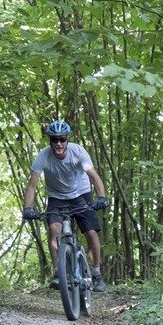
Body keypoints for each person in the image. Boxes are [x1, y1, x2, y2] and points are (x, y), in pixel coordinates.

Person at [22, 119, 108, 292]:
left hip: (81, 194)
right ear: (50, 141)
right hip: (57, 197)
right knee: (54, 229)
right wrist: (27, 208)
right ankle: (58, 273)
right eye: (55, 139)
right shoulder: (43, 157)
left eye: (62, 139)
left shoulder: (78, 152)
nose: (59, 143)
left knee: (91, 232)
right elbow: (32, 185)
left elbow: (94, 176)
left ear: (67, 139)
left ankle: (97, 273)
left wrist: (101, 197)